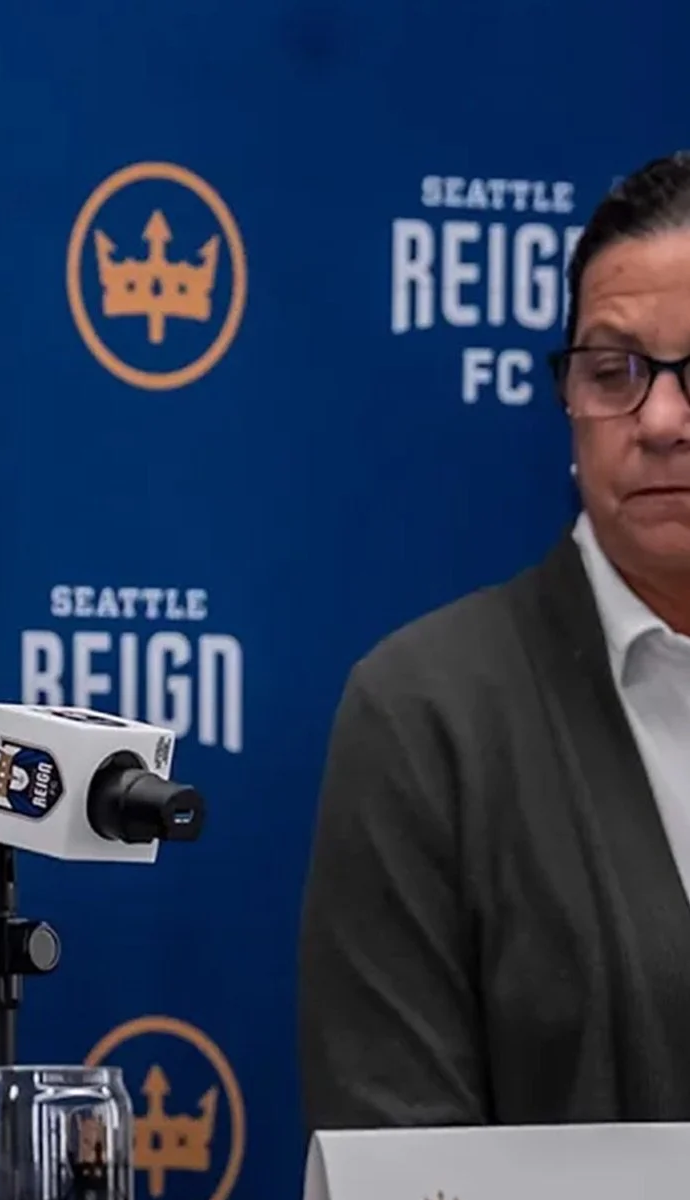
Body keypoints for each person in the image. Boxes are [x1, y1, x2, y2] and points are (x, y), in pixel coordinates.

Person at [298, 150, 690, 1131]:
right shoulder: (429, 712)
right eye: (613, 371)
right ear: (568, 401)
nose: (660, 419)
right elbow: (404, 1176)